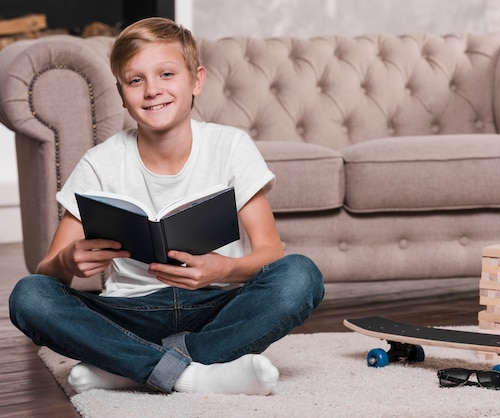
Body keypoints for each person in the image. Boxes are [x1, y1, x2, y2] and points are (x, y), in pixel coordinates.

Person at [9, 17, 324, 396]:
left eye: (167, 74)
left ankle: (131, 368)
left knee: (301, 276)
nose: (152, 90)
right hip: (131, 314)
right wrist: (66, 262)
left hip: (215, 305)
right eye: (136, 80)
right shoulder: (99, 163)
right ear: (122, 93)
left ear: (196, 80)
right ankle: (193, 374)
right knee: (28, 296)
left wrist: (223, 268)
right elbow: (49, 275)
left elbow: (271, 252)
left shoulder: (231, 146)